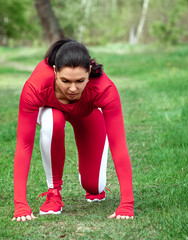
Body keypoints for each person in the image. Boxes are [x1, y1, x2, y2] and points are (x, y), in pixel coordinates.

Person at [12, 39, 134, 222]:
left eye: (80, 81)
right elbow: (24, 144)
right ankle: (54, 193)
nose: (73, 88)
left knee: (95, 187)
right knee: (53, 120)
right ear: (54, 72)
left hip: (87, 115)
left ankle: (92, 185)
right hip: (51, 112)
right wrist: (20, 204)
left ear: (89, 73)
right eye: (65, 80)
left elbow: (118, 144)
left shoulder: (104, 89)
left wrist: (127, 204)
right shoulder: (36, 86)